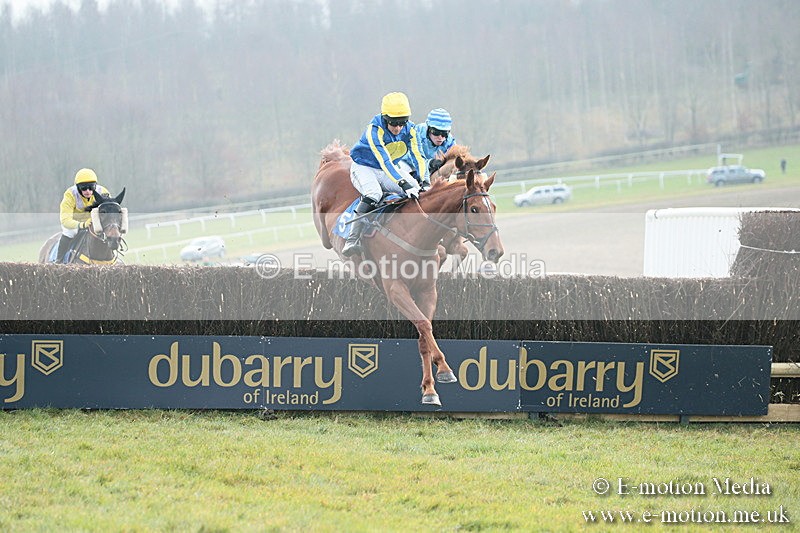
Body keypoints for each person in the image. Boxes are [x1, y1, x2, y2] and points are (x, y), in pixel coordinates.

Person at [343, 92, 427, 257]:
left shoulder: (411, 130)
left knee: (419, 190)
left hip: (388, 170)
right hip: (364, 168)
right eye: (393, 123)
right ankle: (352, 239)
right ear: (384, 118)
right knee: (374, 193)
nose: (397, 128)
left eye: (402, 123)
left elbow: (419, 157)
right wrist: (403, 183)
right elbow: (385, 162)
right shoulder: (374, 131)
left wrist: (424, 180)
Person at [55, 168, 110, 262]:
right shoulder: (70, 195)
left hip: (94, 222)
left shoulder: (103, 192)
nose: (88, 191)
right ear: (77, 187)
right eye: (83, 188)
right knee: (70, 232)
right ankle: (58, 261)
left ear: (95, 186)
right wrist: (82, 225)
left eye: (91, 187)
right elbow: (65, 220)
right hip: (74, 223)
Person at [404, 108, 457, 184]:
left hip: (431, 170)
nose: (440, 137)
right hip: (409, 165)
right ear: (428, 128)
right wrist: (430, 163)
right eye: (436, 132)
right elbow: (407, 155)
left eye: (444, 133)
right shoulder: (416, 132)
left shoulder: (450, 140)